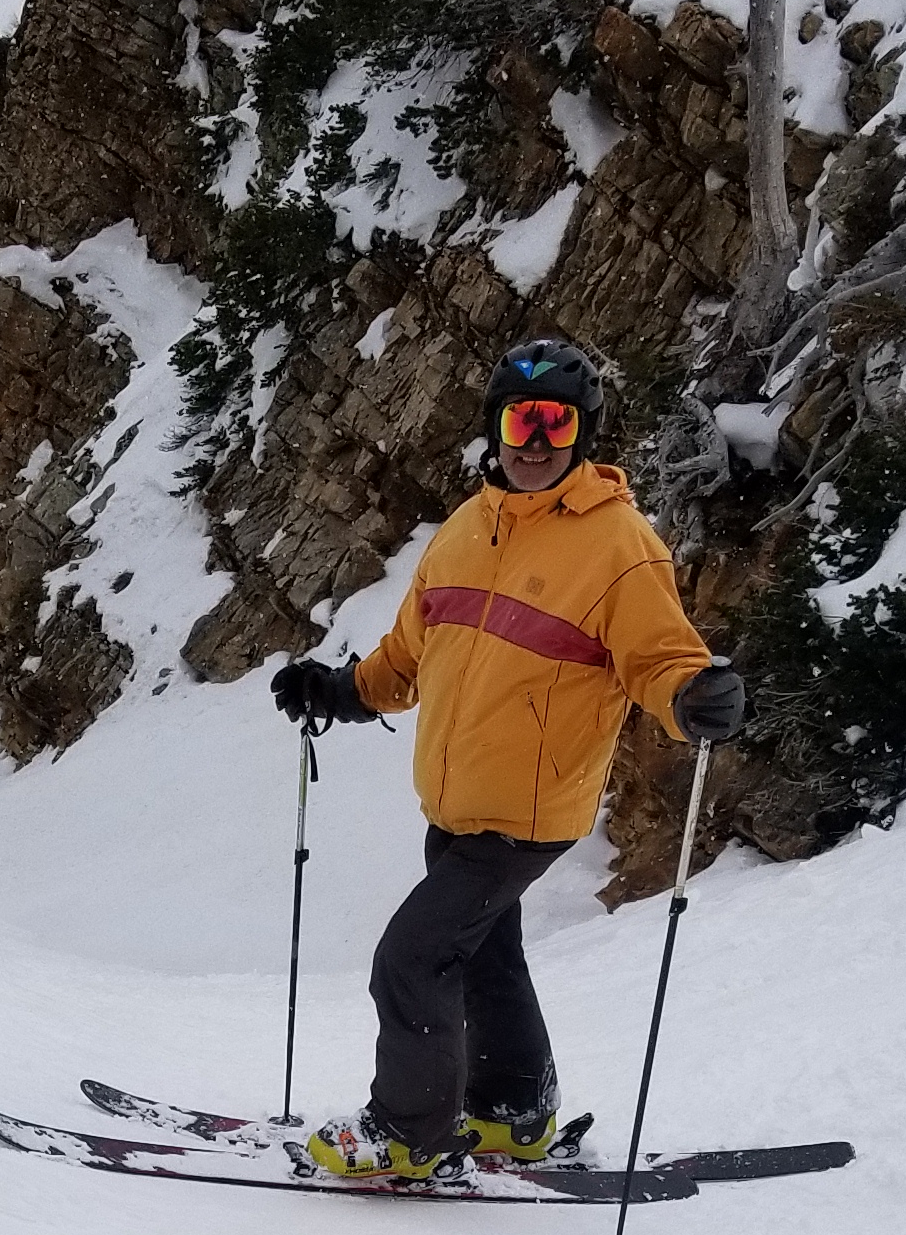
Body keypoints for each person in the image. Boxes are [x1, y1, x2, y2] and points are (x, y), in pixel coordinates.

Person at [268, 337, 747, 1178]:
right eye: (522, 422)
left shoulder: (620, 545)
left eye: (555, 422)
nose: (536, 442)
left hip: (528, 810)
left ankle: (408, 1134)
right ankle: (513, 1110)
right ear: (496, 427)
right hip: (455, 803)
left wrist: (692, 695)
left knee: (412, 958)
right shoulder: (466, 529)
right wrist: (340, 692)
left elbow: (660, 658)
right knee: (487, 956)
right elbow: (408, 656)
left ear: (582, 432)